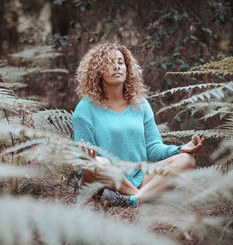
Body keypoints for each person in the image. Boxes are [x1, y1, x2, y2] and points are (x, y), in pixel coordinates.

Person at [72, 42, 204, 207]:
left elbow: (154, 148)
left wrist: (179, 149)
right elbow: (82, 161)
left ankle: (132, 200)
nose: (117, 67)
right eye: (109, 62)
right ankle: (143, 196)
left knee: (187, 160)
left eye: (120, 62)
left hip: (138, 177)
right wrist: (88, 159)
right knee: (99, 163)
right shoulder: (85, 109)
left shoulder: (140, 104)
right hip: (104, 180)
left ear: (128, 69)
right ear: (97, 71)